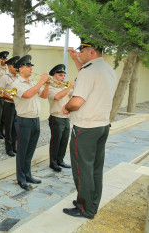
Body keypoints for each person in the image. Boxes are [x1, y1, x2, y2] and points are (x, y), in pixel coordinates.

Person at [62, 41, 117, 219]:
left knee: (82, 169)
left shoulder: (88, 72)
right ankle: (91, 203)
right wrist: (75, 59)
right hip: (102, 125)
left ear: (91, 51)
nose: (80, 53)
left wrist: (66, 107)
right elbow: (87, 77)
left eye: (82, 51)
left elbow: (77, 102)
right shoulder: (108, 70)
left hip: (85, 128)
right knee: (95, 168)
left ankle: (84, 208)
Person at [11, 55, 49, 191]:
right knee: (22, 151)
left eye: (31, 66)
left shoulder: (32, 81)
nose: (31, 68)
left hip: (35, 119)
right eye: (28, 66)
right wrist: (41, 81)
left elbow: (43, 95)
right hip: (24, 120)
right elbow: (27, 94)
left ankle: (27, 174)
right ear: (20, 69)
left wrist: (47, 84)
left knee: (30, 150)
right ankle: (21, 178)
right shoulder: (16, 84)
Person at [47, 64, 74, 172]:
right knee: (56, 141)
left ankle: (60, 160)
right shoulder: (50, 87)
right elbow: (57, 97)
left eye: (63, 75)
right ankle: (53, 162)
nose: (63, 77)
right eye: (60, 75)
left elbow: (71, 96)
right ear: (54, 76)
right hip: (56, 117)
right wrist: (69, 87)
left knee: (64, 140)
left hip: (66, 117)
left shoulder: (64, 87)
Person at [0, 56, 19, 157]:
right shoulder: (5, 77)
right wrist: (11, 98)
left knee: (16, 126)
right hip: (9, 104)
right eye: (14, 66)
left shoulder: (18, 77)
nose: (16, 68)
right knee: (9, 127)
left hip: (18, 104)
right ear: (9, 66)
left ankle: (14, 146)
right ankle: (9, 148)